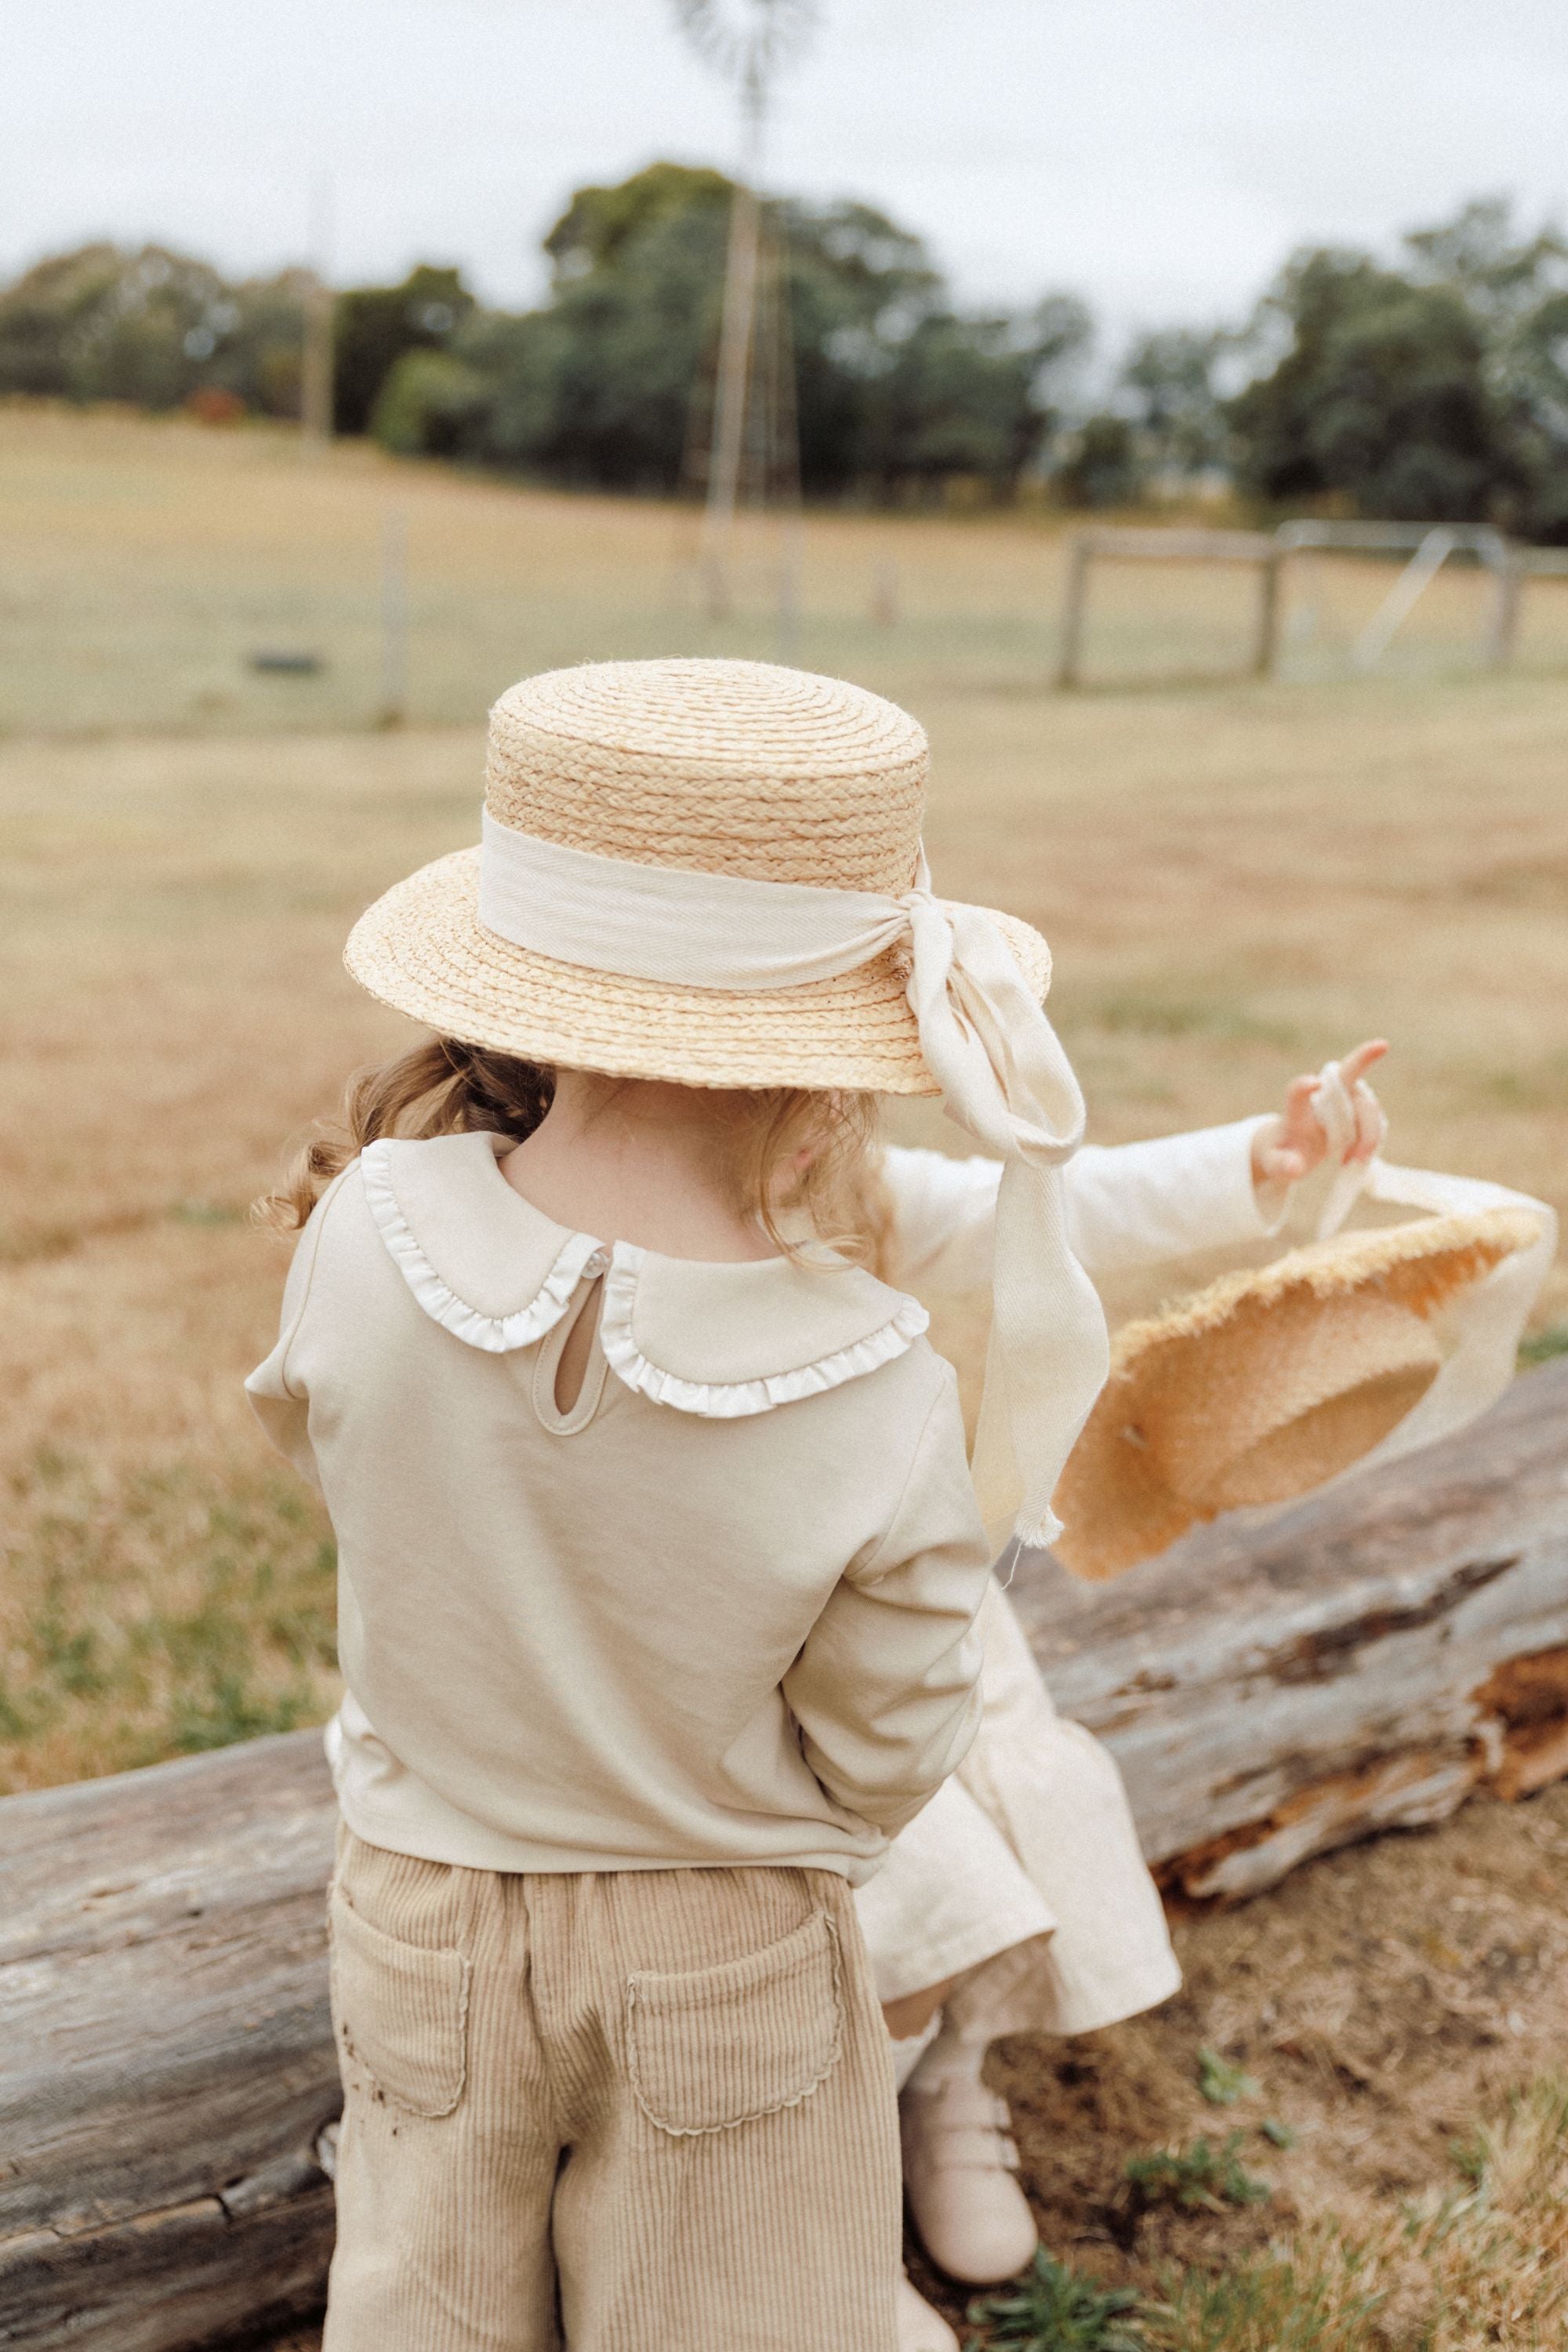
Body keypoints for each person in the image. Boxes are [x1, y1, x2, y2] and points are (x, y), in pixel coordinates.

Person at [246, 656, 1123, 2352]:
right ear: (827, 1089)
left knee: (419, 2299)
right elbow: (889, 1741)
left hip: (419, 1906)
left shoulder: (364, 1227)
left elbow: (328, 1454)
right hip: (721, 1945)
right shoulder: (868, 1376)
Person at [855, 1045, 1388, 2351]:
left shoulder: (840, 1179)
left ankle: (946, 2086)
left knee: (991, 1808)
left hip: (900, 1599)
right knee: (885, 1904)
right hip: (729, 1646)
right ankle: (823, 2191)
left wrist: (1251, 1166)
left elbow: (1035, 1210)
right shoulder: (594, 1217)